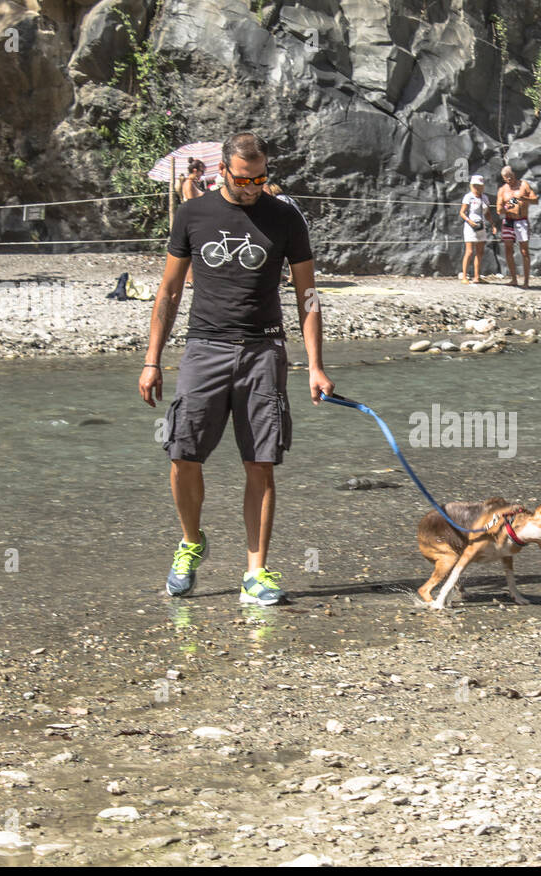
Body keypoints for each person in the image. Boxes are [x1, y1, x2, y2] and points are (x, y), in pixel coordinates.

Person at [139, 132, 335, 605]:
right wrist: (151, 361)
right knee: (182, 453)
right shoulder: (193, 213)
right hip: (204, 348)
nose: (253, 187)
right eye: (244, 179)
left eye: (261, 178)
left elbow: (307, 296)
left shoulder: (285, 217)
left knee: (261, 462)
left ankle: (256, 573)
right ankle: (191, 543)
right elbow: (168, 293)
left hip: (264, 350)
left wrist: (315, 365)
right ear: (223, 171)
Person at [496, 166, 539, 287]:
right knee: (508, 249)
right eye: (506, 177)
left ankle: (526, 281)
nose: (509, 179)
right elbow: (499, 209)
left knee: (524, 251)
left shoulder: (523, 185)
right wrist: (507, 207)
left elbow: (535, 200)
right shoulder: (503, 190)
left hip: (521, 221)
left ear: (514, 174)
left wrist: (523, 198)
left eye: (511, 176)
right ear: (503, 178)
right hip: (508, 220)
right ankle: (514, 279)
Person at [459, 174, 498, 283]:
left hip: (481, 226)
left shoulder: (485, 197)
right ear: (472, 185)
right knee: (469, 251)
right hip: (471, 226)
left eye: (480, 185)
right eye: (476, 185)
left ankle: (477, 276)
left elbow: (488, 213)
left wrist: (492, 224)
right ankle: (464, 277)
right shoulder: (468, 197)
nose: (478, 187)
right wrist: (470, 221)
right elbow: (462, 212)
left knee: (480, 252)